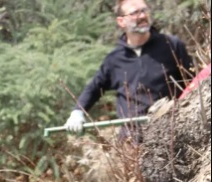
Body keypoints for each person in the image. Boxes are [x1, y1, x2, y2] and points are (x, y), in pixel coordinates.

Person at [63, 0, 193, 134]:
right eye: (135, 13)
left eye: (144, 10)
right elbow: (94, 88)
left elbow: (193, 83)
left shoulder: (171, 45)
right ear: (121, 21)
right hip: (132, 139)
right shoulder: (114, 59)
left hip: (172, 133)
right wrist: (77, 112)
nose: (142, 16)